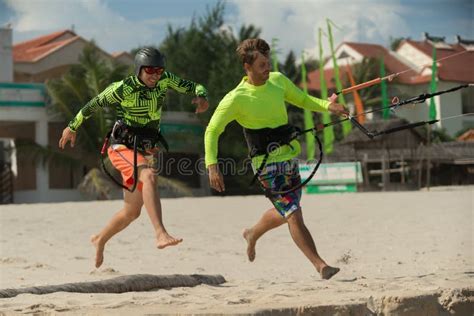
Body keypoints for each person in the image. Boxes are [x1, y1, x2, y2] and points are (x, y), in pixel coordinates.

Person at [204, 39, 348, 280]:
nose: (267, 67)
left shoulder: (278, 81)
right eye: (261, 64)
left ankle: (252, 233)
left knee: (286, 210)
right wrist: (212, 165)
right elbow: (212, 130)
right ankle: (320, 265)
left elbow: (303, 99)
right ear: (247, 66)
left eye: (268, 62)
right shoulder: (236, 98)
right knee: (293, 212)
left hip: (289, 157)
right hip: (265, 164)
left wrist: (327, 107)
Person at [59, 47, 209, 268]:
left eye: (159, 70)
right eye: (150, 70)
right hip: (120, 147)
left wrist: (202, 97)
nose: (155, 75)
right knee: (148, 177)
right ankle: (160, 233)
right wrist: (72, 127)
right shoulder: (122, 88)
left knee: (131, 212)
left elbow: (194, 86)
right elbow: (92, 105)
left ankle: (100, 239)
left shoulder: (165, 81)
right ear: (139, 69)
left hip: (143, 150)